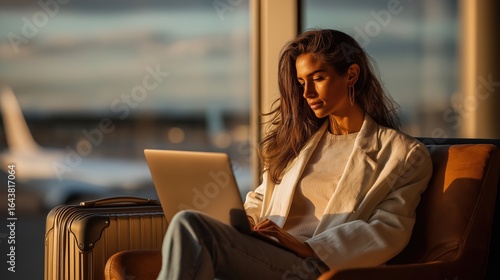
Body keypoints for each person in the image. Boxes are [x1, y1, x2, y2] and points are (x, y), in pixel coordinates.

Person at [156, 29, 432, 280]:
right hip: (267, 252)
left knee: (190, 224)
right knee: (194, 232)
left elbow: (389, 230)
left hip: (314, 265)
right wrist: (249, 222)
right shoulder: (299, 144)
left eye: (318, 78)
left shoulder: (403, 154)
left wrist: (307, 247)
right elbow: (261, 198)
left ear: (351, 75)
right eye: (301, 83)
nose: (307, 93)